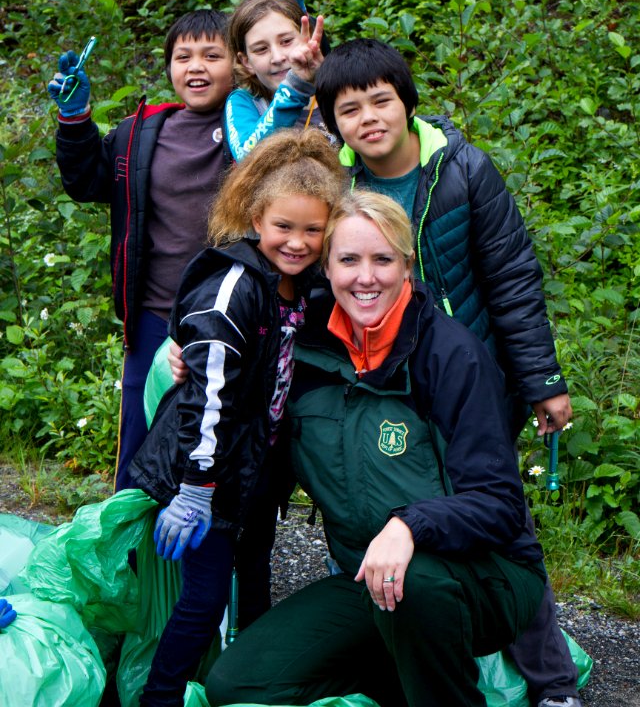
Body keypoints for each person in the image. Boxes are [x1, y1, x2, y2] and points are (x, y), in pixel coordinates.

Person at [313, 37, 580, 707]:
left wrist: (542, 381)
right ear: (332, 121)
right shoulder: (334, 183)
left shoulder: (462, 170)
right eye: (350, 109)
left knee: (496, 516)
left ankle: (553, 682)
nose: (370, 117)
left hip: (472, 377)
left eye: (382, 100)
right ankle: (393, 651)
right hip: (381, 383)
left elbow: (513, 280)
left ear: (407, 102)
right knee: (375, 507)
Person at [205, 191, 547, 707]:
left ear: (407, 265)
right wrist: (190, 351)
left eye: (383, 259)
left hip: (484, 578)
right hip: (369, 580)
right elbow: (238, 389)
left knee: (416, 585)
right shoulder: (306, 351)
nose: (366, 277)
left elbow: (499, 504)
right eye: (348, 260)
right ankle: (400, 682)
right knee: (240, 684)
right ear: (327, 268)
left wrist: (410, 524)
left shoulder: (451, 355)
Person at [127, 128, 346, 707]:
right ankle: (161, 696)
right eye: (283, 227)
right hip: (207, 476)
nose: (297, 242)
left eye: (312, 230)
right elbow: (207, 398)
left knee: (255, 579)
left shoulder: (307, 286)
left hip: (255, 474)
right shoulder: (233, 288)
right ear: (255, 216)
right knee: (202, 599)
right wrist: (197, 487)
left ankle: (252, 684)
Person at [48, 9, 236, 490]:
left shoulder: (250, 132)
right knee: (137, 447)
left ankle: (217, 563)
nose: (196, 66)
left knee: (214, 447)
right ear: (169, 66)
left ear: (238, 63)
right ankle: (129, 560)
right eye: (183, 56)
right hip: (152, 317)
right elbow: (88, 181)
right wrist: (74, 120)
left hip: (228, 320)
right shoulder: (142, 131)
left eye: (212, 55)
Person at [223, 0, 329, 162]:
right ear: (246, 61)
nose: (278, 57)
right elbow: (246, 158)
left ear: (306, 37)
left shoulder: (334, 92)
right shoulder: (245, 102)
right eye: (261, 49)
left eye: (286, 41)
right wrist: (294, 89)